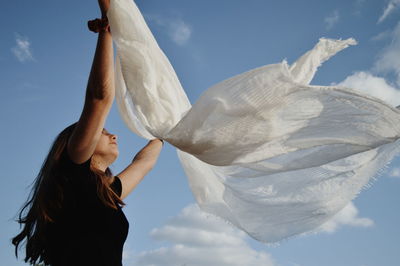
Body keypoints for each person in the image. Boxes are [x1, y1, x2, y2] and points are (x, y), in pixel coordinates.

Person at [12, 1, 163, 265]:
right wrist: (107, 28)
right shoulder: (73, 169)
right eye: (104, 132)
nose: (114, 135)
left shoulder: (108, 193)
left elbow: (144, 163)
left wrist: (167, 130)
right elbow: (99, 97)